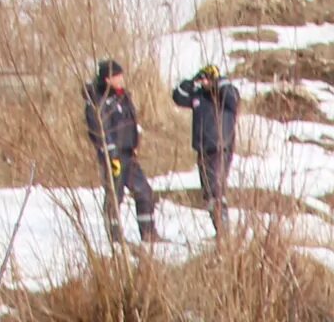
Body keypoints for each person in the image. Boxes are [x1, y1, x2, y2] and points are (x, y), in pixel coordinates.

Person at [82, 60, 157, 247]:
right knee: (115, 196)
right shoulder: (97, 100)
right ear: (107, 79)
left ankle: (149, 234)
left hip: (129, 154)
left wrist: (136, 141)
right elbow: (99, 130)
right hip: (112, 156)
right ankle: (115, 238)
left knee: (144, 191)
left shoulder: (123, 97)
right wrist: (110, 153)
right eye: (117, 76)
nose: (121, 79)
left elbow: (131, 121)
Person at [170, 61, 240, 221]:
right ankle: (219, 229)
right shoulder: (198, 95)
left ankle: (224, 230)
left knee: (216, 189)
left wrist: (219, 81)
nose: (205, 83)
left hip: (220, 147)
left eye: (207, 80)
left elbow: (234, 100)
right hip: (203, 148)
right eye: (203, 80)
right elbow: (178, 96)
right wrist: (191, 81)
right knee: (209, 193)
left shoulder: (225, 94)